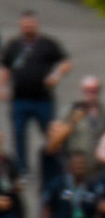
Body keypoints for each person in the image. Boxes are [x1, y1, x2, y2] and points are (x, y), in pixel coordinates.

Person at [0, 11, 69, 181]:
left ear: (36, 24)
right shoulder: (13, 45)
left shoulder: (48, 44)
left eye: (30, 23)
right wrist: (2, 86)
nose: (28, 27)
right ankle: (22, 170)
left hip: (43, 99)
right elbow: (5, 68)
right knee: (19, 135)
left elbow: (66, 62)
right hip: (19, 100)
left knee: (51, 135)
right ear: (20, 25)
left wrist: (56, 75)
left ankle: (57, 166)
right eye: (25, 24)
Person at [64, 73, 104, 167]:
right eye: (87, 90)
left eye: (94, 91)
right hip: (76, 165)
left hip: (98, 165)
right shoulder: (71, 110)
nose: (90, 94)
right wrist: (72, 122)